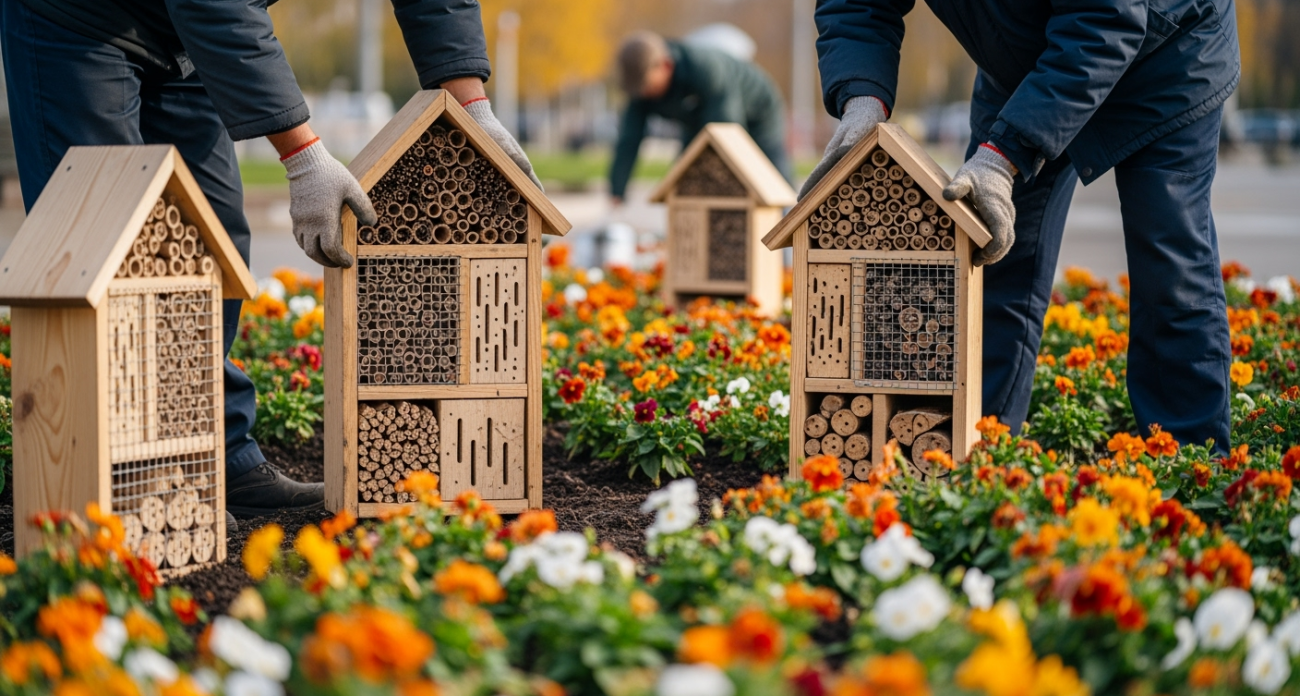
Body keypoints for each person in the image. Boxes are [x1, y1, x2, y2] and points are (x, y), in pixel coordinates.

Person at [1, 0, 540, 516]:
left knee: (214, 240)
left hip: (187, 40)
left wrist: (473, 107)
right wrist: (304, 156)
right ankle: (119, 472)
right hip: (78, 22)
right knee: (108, 242)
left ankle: (216, 455)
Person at [803, 0, 1239, 455]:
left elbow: (1105, 21)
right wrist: (861, 99)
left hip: (1168, 53)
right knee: (993, 254)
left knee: (1168, 258)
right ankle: (980, 444)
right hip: (1025, 67)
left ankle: (1192, 463)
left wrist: (1006, 152)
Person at [609, 31, 791, 204]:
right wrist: (618, 189)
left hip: (758, 111)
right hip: (700, 122)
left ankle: (790, 219)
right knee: (684, 180)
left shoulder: (705, 68)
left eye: (648, 86)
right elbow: (629, 139)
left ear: (665, 65)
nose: (644, 95)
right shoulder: (641, 92)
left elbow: (726, 133)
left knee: (772, 179)